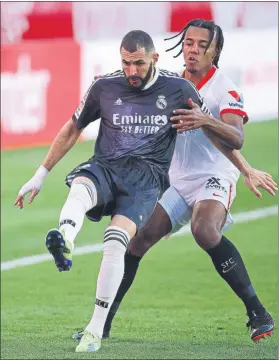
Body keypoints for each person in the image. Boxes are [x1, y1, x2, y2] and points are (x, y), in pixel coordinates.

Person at [14, 30, 221, 353]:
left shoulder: (179, 89)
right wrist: (40, 175)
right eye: (125, 63)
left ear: (155, 58)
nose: (131, 71)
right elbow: (73, 127)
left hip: (145, 180)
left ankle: (95, 330)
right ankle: (66, 238)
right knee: (82, 185)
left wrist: (243, 168)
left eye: (138, 63)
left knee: (115, 242)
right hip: (107, 166)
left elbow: (209, 128)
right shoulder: (104, 87)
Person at [72, 20, 276, 344]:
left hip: (214, 176)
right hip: (176, 181)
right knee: (136, 240)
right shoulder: (169, 85)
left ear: (215, 50)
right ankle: (102, 322)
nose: (193, 49)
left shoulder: (225, 87)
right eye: (188, 42)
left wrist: (241, 163)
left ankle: (258, 313)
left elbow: (235, 137)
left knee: (204, 230)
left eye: (201, 44)